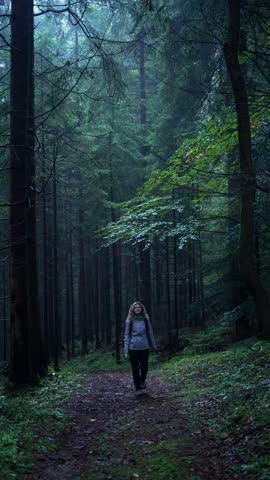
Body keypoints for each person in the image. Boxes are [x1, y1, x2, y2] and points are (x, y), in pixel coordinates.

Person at [124, 301, 157, 392]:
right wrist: (126, 349)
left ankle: (142, 381)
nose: (137, 309)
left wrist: (154, 346)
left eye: (139, 307)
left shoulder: (146, 319)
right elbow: (126, 335)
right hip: (133, 348)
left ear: (141, 309)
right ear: (132, 309)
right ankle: (138, 388)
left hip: (144, 348)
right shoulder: (129, 321)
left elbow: (150, 332)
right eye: (135, 307)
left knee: (144, 367)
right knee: (135, 369)